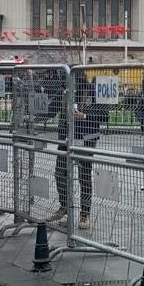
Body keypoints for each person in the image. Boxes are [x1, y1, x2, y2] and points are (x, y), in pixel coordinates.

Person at [48, 73, 103, 230]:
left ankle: (85, 213)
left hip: (85, 139)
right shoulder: (65, 92)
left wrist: (84, 116)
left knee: (84, 176)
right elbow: (50, 110)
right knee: (60, 173)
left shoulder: (91, 91)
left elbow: (103, 114)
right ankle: (64, 206)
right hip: (66, 138)